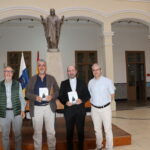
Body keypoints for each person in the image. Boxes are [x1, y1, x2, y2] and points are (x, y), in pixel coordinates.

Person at [26, 59, 59, 150]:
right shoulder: (32, 79)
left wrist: (52, 96)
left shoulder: (51, 78)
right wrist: (35, 97)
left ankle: (52, 148)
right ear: (38, 67)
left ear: (46, 67)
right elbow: (27, 93)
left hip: (49, 108)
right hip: (36, 108)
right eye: (40, 65)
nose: (41, 67)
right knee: (37, 132)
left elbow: (57, 91)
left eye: (43, 65)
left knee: (51, 132)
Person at [59, 65, 90, 150]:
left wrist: (82, 100)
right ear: (67, 72)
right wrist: (65, 102)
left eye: (72, 70)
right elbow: (60, 96)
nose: (71, 72)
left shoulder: (82, 82)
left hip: (80, 111)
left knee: (80, 132)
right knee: (69, 133)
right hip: (69, 111)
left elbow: (87, 95)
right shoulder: (63, 83)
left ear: (76, 71)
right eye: (69, 71)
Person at [88, 63, 115, 150]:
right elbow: (90, 95)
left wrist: (106, 103)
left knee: (107, 129)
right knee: (97, 130)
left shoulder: (107, 81)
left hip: (105, 108)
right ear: (92, 72)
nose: (95, 71)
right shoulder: (90, 82)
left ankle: (109, 147)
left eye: (97, 69)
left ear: (101, 70)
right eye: (93, 70)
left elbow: (112, 94)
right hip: (94, 109)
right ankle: (99, 146)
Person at [0, 66, 26, 150]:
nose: (8, 73)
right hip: (3, 113)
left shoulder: (17, 84)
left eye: (10, 71)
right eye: (6, 71)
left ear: (12, 73)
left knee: (18, 135)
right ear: (4, 73)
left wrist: (22, 110)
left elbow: (21, 98)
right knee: (5, 135)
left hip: (16, 112)